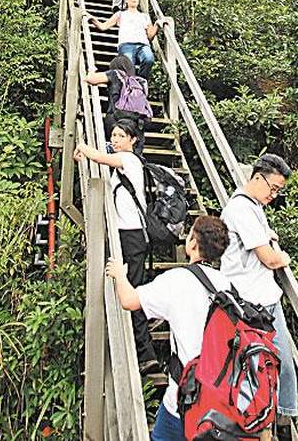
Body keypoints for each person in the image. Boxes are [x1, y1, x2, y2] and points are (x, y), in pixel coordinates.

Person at [106, 215, 231, 441]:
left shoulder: (177, 280)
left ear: (192, 243)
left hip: (185, 398)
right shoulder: (226, 284)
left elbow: (130, 301)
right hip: (222, 397)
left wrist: (119, 275)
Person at [220, 154, 298, 436]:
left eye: (279, 190)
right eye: (273, 188)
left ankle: (274, 422)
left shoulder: (252, 206)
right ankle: (272, 424)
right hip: (253, 302)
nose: (274, 195)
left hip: (260, 297)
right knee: (272, 364)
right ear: (257, 178)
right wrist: (283, 257)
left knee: (273, 365)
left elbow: (266, 236)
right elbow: (270, 258)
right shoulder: (241, 208)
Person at [74, 119, 159, 374]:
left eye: (121, 136)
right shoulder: (120, 167)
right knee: (131, 287)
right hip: (126, 235)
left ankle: (146, 354)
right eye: (113, 135)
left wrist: (83, 147)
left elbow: (102, 157)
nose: (116, 139)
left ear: (133, 140)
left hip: (132, 236)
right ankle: (141, 347)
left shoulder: (131, 161)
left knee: (132, 291)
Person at [88, 0, 161, 80]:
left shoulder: (144, 16)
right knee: (129, 67)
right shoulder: (120, 14)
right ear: (126, 0)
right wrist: (92, 19)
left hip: (143, 45)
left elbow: (150, 36)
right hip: (126, 45)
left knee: (149, 58)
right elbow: (104, 26)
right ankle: (131, 86)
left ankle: (140, 82)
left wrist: (157, 24)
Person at [84, 53, 149, 153]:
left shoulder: (115, 74)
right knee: (136, 156)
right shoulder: (140, 82)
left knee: (113, 152)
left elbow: (90, 79)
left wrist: (91, 71)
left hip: (115, 120)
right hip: (137, 122)